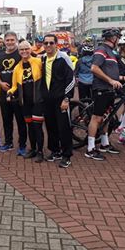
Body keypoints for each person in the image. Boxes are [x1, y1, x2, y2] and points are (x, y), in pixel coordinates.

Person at [86, 28, 125, 160]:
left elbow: (112, 73)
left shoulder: (112, 53)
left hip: (109, 89)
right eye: (118, 37)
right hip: (101, 88)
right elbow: (94, 68)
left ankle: (104, 144)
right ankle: (90, 148)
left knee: (106, 117)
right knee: (96, 118)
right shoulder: (101, 50)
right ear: (113, 38)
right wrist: (111, 81)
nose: (119, 40)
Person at [41, 34, 75, 168]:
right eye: (46, 43)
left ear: (56, 44)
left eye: (51, 43)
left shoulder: (63, 58)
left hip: (61, 99)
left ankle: (67, 155)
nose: (48, 46)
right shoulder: (43, 59)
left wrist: (67, 98)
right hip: (47, 100)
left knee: (64, 127)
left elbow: (71, 79)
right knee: (51, 126)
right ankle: (55, 151)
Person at [7, 41, 44, 161]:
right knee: (30, 126)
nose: (24, 51)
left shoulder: (38, 62)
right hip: (25, 102)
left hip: (38, 100)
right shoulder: (17, 68)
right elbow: (14, 86)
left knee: (38, 127)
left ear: (30, 49)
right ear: (19, 52)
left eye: (26, 49)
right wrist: (9, 92)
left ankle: (40, 151)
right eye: (21, 50)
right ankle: (32, 149)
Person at [0, 31, 27, 154]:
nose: (10, 42)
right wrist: (1, 83)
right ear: (4, 41)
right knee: (7, 120)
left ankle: (22, 145)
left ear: (16, 40)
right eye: (8, 40)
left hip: (19, 94)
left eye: (12, 40)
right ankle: (8, 143)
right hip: (4, 94)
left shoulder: (21, 54)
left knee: (21, 121)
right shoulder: (0, 57)